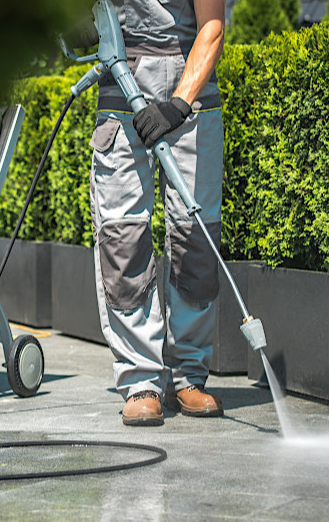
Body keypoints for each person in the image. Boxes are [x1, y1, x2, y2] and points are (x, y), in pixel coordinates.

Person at [89, 0, 226, 426]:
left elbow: (212, 28)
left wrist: (177, 105)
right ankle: (140, 382)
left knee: (195, 236)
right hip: (121, 85)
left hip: (191, 93)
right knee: (122, 236)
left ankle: (188, 375)